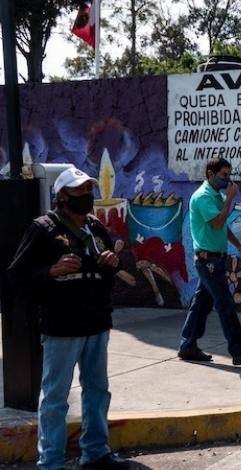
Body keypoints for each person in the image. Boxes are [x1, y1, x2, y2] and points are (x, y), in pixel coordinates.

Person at [7, 168, 129, 470]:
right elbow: (16, 276)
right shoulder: (42, 229)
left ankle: (96, 453)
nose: (86, 196)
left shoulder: (95, 227)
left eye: (89, 190)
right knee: (55, 397)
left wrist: (113, 263)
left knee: (98, 391)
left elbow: (109, 269)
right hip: (62, 326)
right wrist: (51, 271)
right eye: (79, 191)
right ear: (61, 196)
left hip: (97, 322)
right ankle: (50, 462)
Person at [178, 158, 241, 366]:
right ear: (210, 174)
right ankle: (238, 351)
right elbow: (216, 223)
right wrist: (230, 200)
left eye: (228, 174)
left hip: (213, 260)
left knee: (200, 306)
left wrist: (239, 245)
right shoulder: (203, 197)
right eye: (224, 175)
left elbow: (223, 226)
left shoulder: (216, 195)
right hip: (209, 262)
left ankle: (188, 345)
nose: (228, 179)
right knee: (226, 305)